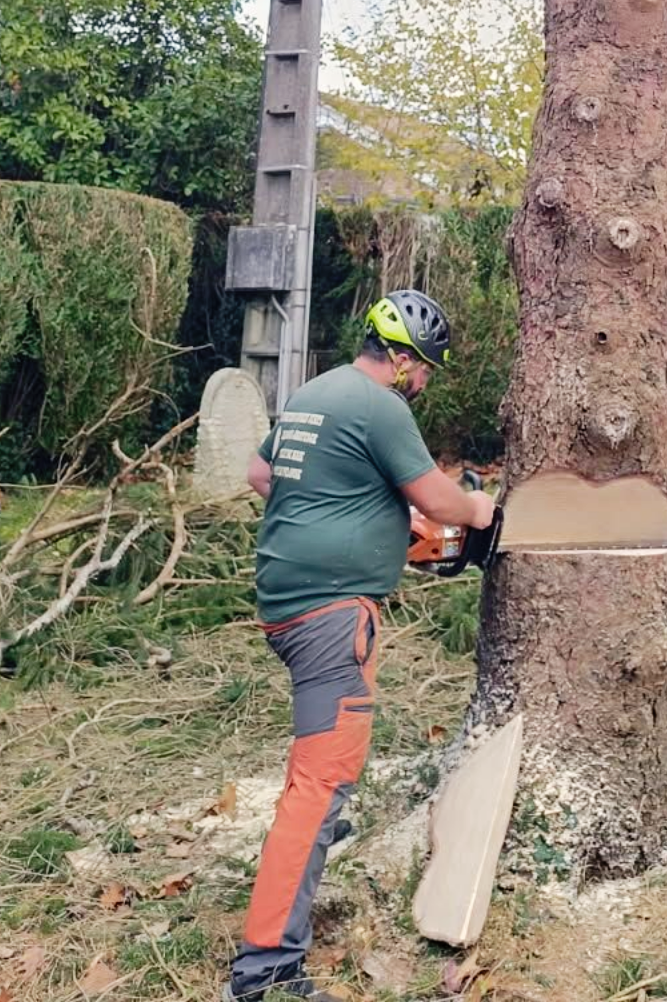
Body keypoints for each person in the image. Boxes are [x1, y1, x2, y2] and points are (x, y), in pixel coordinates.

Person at [226, 290, 496, 1002]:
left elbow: (262, 476)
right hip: (329, 618)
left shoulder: (314, 391)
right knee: (316, 790)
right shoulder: (381, 407)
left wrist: (342, 515)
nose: (426, 381)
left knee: (320, 785)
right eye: (426, 368)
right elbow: (439, 501)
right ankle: (266, 973)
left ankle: (302, 878)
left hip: (286, 605)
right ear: (403, 360)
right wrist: (484, 510)